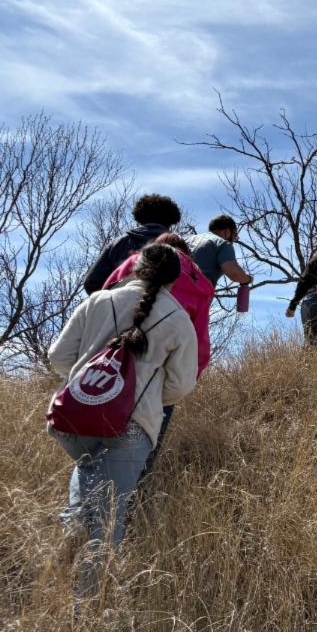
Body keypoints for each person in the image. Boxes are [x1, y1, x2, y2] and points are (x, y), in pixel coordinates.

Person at [48, 243, 198, 593]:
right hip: (131, 427)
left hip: (74, 420)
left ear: (133, 268)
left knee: (84, 492)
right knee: (107, 518)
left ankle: (53, 588)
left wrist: (92, 388)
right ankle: (85, 611)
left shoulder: (98, 301)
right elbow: (180, 385)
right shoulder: (178, 319)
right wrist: (140, 397)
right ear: (174, 282)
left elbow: (58, 356)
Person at [102, 233, 213, 478]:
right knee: (144, 449)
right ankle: (134, 501)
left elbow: (102, 303)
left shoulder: (130, 265)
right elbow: (200, 347)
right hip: (158, 381)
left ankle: (93, 498)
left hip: (108, 368)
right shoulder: (199, 283)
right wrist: (174, 389)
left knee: (96, 447)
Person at [82, 194, 183, 295]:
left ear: (140, 217)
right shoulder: (181, 247)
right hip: (172, 308)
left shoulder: (119, 243)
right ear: (172, 220)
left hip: (121, 305)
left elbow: (91, 282)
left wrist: (110, 303)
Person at [186, 215, 253, 289]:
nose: (234, 239)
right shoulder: (222, 243)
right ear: (227, 231)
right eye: (235, 234)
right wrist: (247, 279)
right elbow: (233, 272)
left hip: (171, 289)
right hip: (190, 293)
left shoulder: (186, 239)